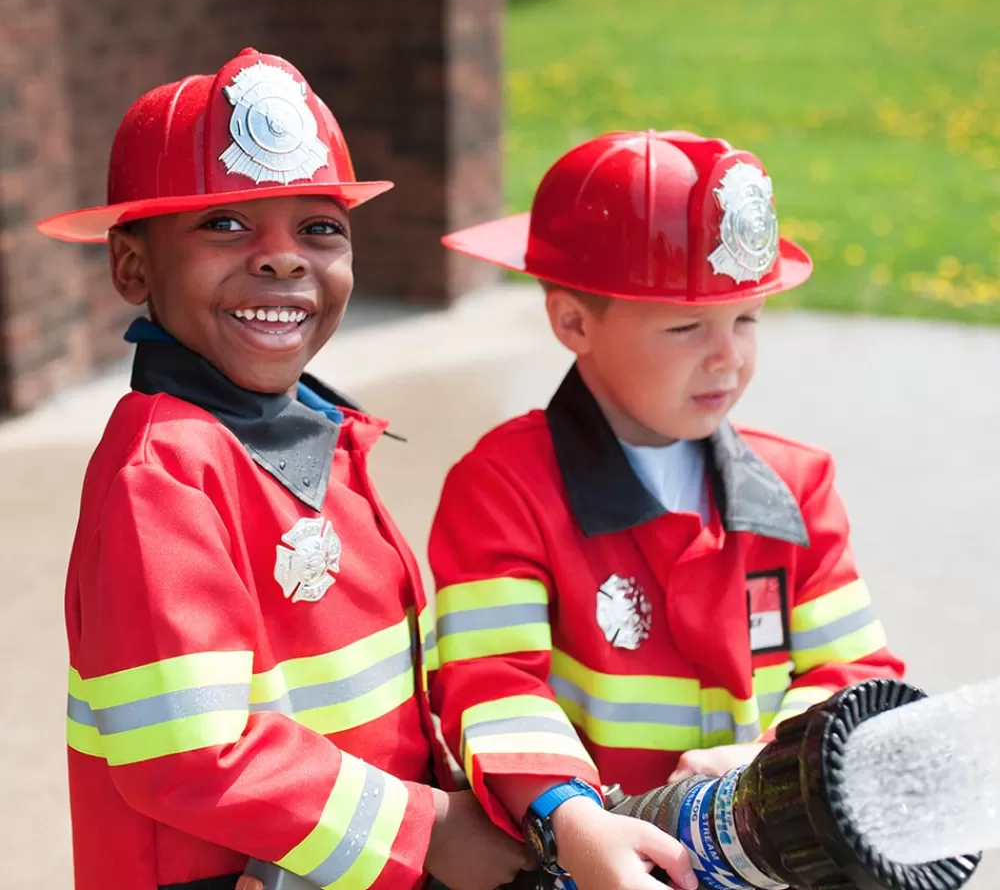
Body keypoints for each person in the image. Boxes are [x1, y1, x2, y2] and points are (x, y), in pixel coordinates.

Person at [38, 48, 528, 890]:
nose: (281, 258)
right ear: (132, 265)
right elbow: (192, 754)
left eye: (320, 227)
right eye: (225, 224)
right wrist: (431, 829)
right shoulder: (162, 474)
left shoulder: (319, 435)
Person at [428, 130, 904, 890]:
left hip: (765, 853)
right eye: (687, 328)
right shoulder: (502, 488)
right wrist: (573, 821)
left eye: (747, 320)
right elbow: (494, 681)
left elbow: (852, 671)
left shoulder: (797, 486)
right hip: (591, 861)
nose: (729, 357)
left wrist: (774, 759)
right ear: (573, 323)